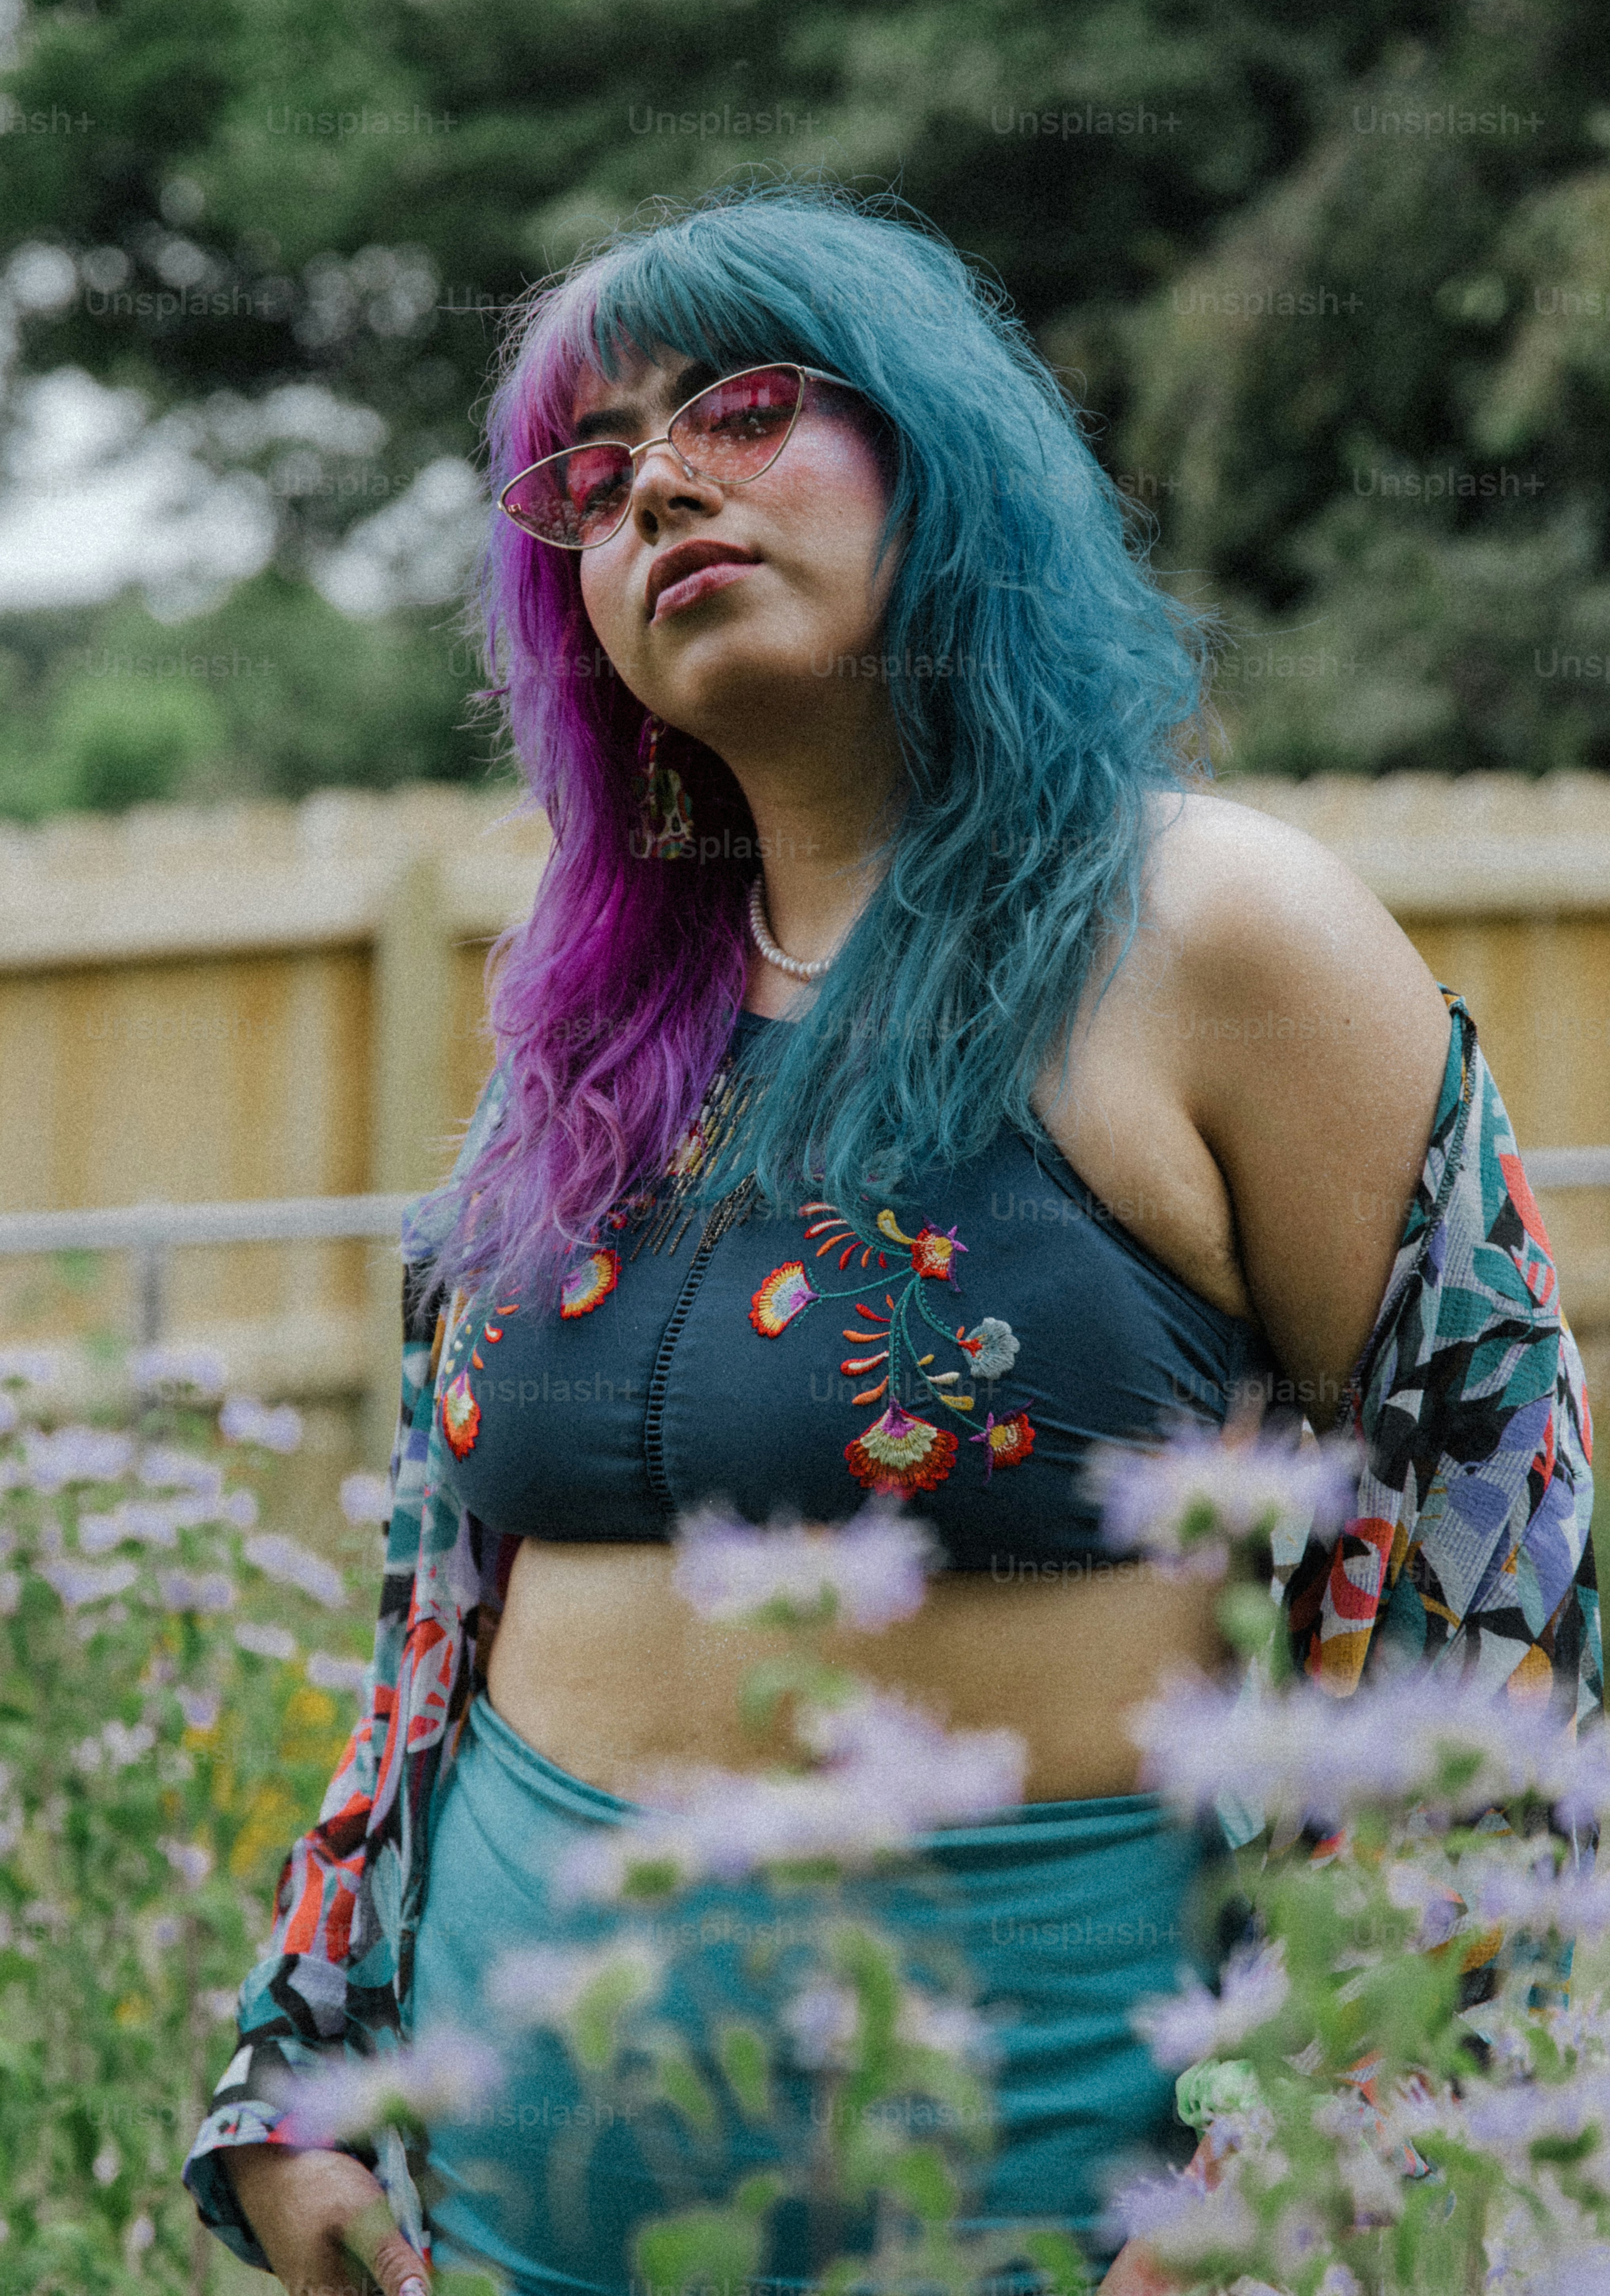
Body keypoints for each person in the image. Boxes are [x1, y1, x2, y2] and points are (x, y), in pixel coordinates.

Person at [184, 185, 1600, 2296]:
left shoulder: (1213, 930)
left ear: (937, 455)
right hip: (489, 2223)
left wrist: (1309, 2174)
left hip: (1042, 2222)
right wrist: (295, 2063)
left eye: (741, 406)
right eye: (591, 470)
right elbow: (434, 1618)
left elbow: (1505, 1600)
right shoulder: (568, 1050)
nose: (659, 477)